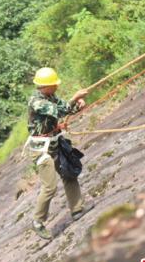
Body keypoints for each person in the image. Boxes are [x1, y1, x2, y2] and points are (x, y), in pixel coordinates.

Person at [27, 67, 94, 240]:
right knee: (50, 186)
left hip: (54, 143)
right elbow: (57, 111)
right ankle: (37, 222)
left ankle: (77, 209)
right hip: (41, 149)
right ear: (45, 86)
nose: (57, 87)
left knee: (69, 174)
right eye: (54, 85)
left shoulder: (51, 97)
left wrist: (77, 106)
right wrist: (74, 98)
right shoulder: (36, 101)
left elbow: (65, 108)